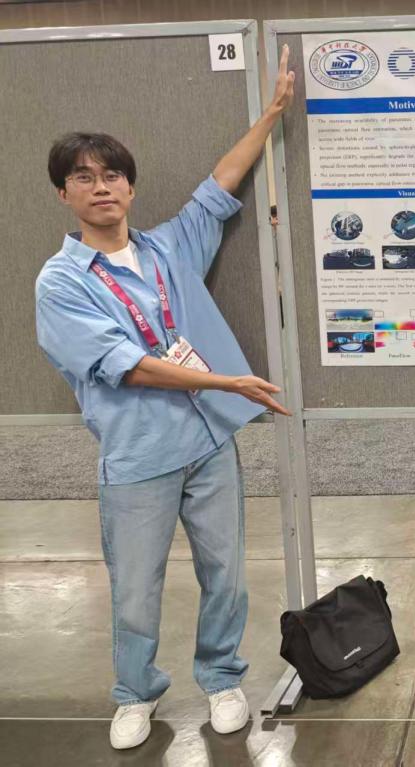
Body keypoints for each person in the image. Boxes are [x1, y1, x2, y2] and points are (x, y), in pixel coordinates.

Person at [34, 47, 296, 750]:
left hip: (208, 442)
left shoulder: (168, 248)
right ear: (64, 194)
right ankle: (135, 693)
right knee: (135, 589)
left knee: (226, 574)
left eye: (111, 175)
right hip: (139, 455)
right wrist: (226, 382)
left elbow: (221, 184)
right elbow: (128, 368)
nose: (101, 187)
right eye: (83, 178)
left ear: (129, 185)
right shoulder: (61, 282)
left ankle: (221, 678)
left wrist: (272, 113)